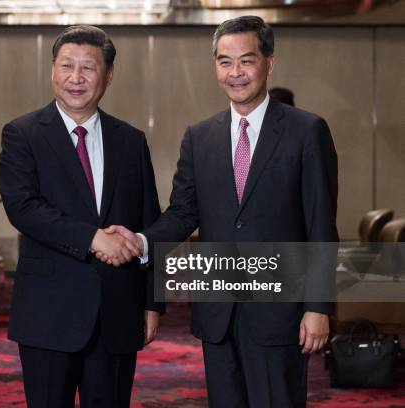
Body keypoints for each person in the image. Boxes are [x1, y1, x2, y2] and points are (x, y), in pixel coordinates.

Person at [101, 16, 338, 407]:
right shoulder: (200, 137)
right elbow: (182, 212)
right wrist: (142, 242)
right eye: (225, 62)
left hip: (280, 312)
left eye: (246, 60)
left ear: (269, 63)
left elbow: (320, 225)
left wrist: (318, 306)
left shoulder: (306, 131)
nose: (235, 73)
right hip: (218, 312)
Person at [0, 25, 163, 407]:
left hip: (117, 312)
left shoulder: (131, 140)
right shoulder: (22, 134)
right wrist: (93, 237)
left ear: (107, 75)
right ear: (52, 70)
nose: (76, 77)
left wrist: (154, 302)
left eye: (88, 68)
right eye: (66, 65)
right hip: (48, 312)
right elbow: (23, 208)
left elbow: (150, 221)